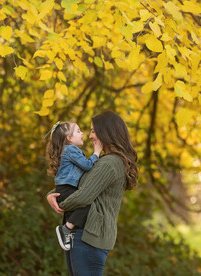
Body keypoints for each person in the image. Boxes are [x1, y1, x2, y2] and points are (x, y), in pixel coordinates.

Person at [46, 111, 138, 275]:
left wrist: (61, 203)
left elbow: (83, 196)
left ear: (106, 132)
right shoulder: (105, 160)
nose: (89, 136)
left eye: (93, 131)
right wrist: (52, 194)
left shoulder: (109, 163)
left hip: (89, 236)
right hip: (84, 234)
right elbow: (80, 182)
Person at [46, 121, 103, 251]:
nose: (82, 133)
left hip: (63, 189)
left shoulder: (67, 150)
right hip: (67, 188)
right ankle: (66, 229)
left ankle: (67, 234)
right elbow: (88, 165)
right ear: (69, 138)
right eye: (78, 131)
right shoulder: (71, 150)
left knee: (72, 212)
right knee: (86, 205)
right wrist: (97, 152)